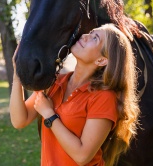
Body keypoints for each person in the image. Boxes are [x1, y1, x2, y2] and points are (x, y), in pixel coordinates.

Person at [10, 23, 140, 166]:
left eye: (94, 38)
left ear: (102, 60)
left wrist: (49, 114)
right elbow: (19, 120)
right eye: (90, 32)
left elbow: (82, 156)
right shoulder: (56, 82)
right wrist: (17, 74)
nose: (84, 36)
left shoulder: (104, 97)